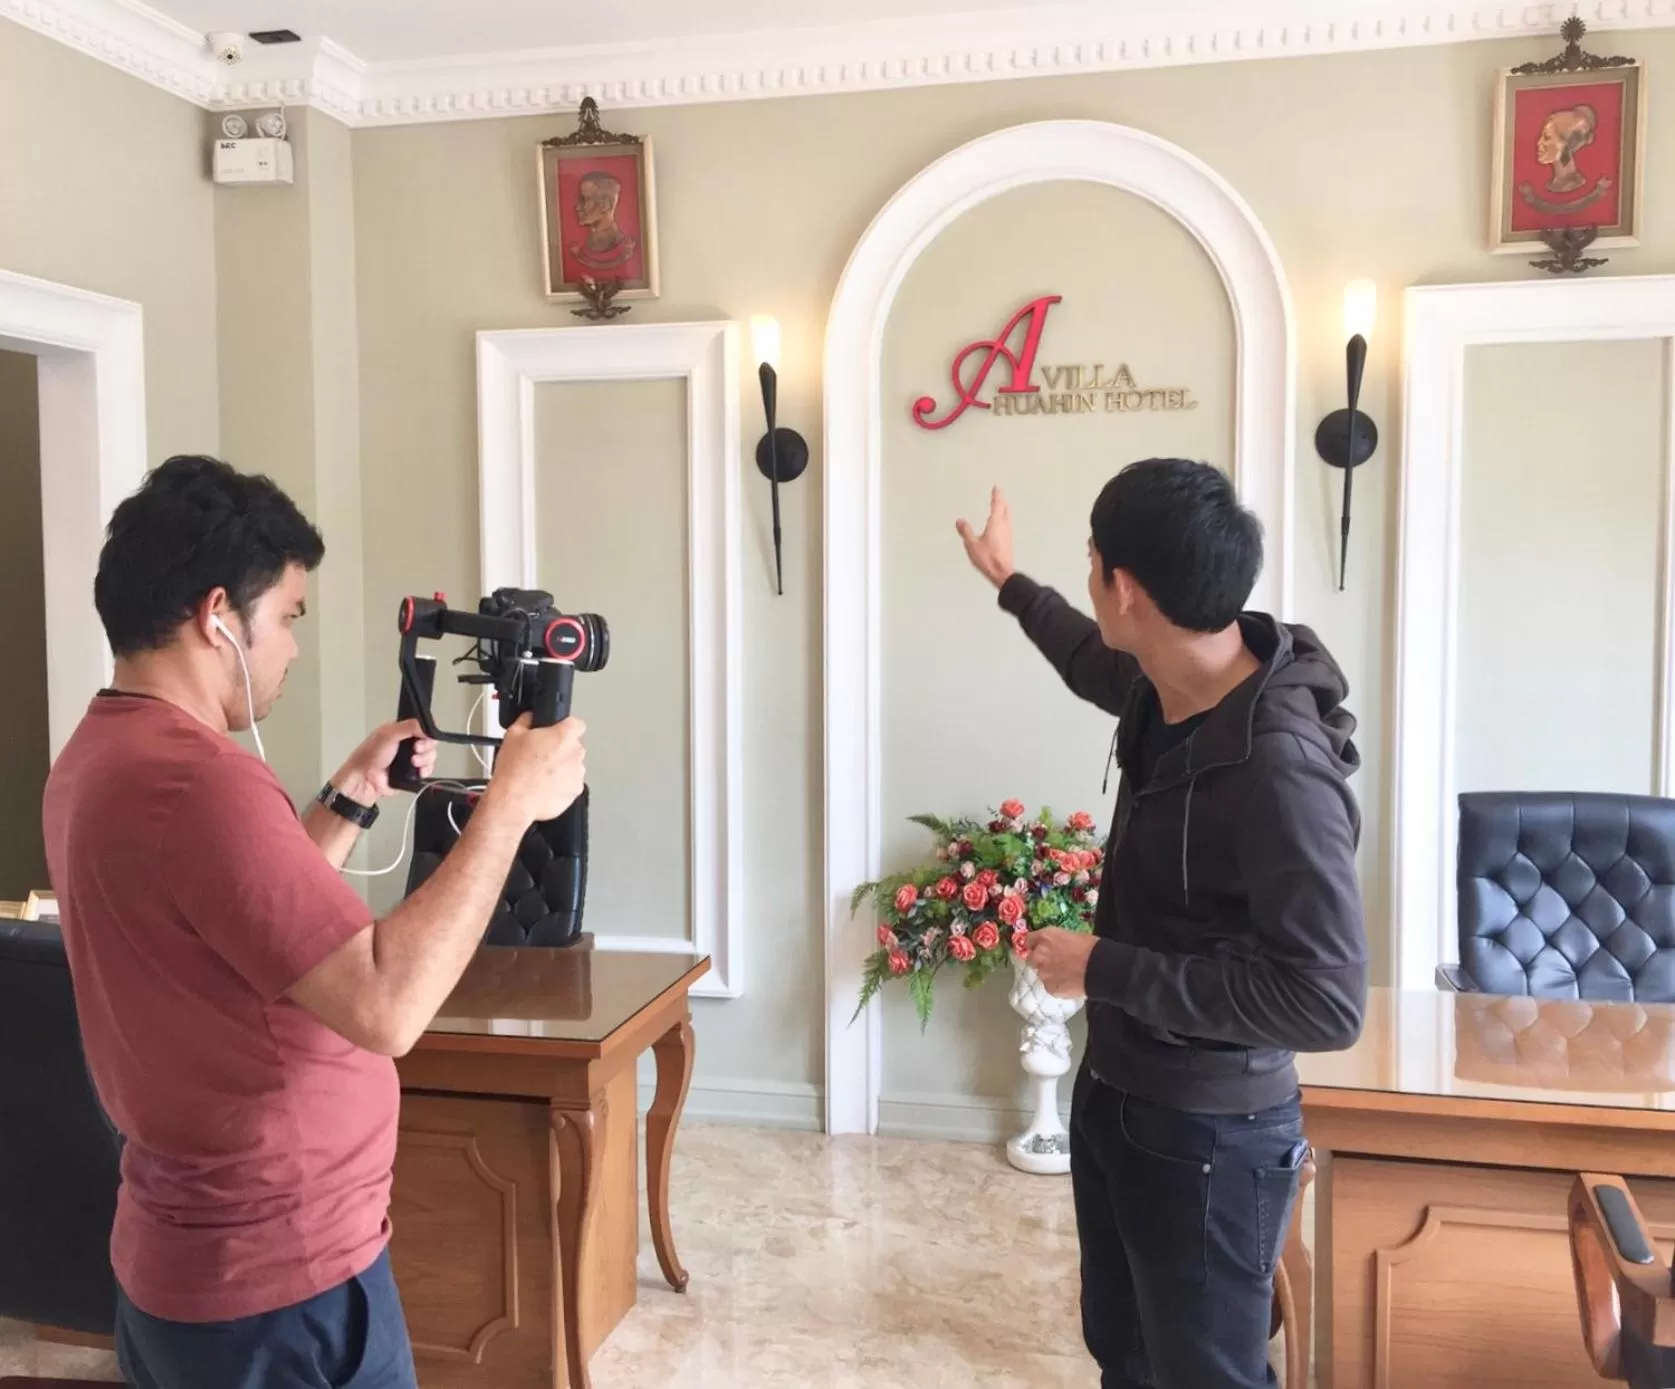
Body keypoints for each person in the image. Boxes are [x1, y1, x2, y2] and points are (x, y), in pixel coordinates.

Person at [41, 455, 587, 1389]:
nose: (290, 647)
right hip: (280, 1289)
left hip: (193, 1267)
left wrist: (351, 794)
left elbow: (242, 921)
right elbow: (386, 1006)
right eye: (288, 617)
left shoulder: (99, 757)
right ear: (219, 615)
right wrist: (509, 805)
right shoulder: (205, 782)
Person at [956, 459, 1366, 1389]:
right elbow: (1087, 657)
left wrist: (1103, 967)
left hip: (1213, 1135)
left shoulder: (1279, 768)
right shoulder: (1169, 681)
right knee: (1128, 1353)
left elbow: (1323, 1001)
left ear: (1126, 587)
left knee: (1205, 1375)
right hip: (1121, 1092)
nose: (1091, 576)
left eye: (1092, 560)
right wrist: (1010, 583)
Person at [569, 170, 638, 273]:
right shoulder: (584, 246)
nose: (578, 207)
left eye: (585, 200)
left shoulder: (625, 246)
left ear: (604, 205)